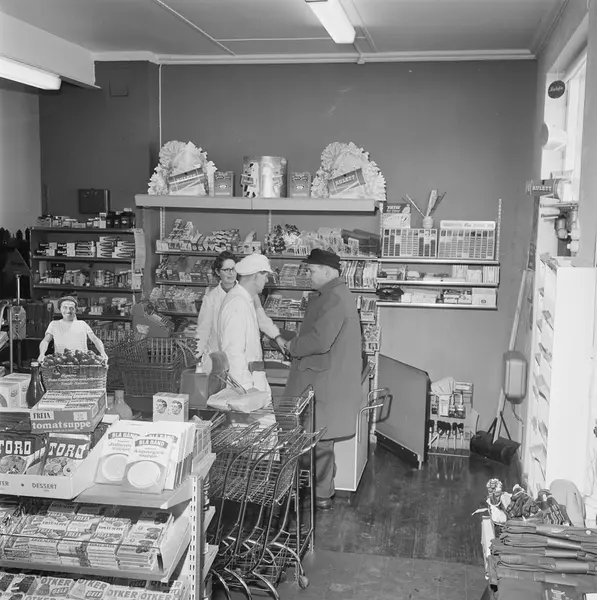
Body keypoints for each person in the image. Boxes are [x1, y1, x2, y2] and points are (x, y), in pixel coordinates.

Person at [279, 249, 362, 510]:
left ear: (327, 271)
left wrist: (291, 346)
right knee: (318, 440)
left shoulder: (334, 298)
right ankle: (320, 492)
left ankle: (321, 494)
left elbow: (320, 340)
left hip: (323, 382)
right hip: (324, 378)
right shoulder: (334, 295)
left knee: (317, 440)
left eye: (311, 270)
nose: (308, 275)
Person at [195, 251, 285, 372]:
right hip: (218, 356)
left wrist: (277, 336)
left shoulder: (250, 293)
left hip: (243, 359)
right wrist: (197, 355)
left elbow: (262, 319)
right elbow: (203, 330)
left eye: (233, 269)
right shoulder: (211, 298)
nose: (231, 273)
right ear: (217, 272)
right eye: (226, 270)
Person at [217, 254, 274, 393]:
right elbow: (233, 352)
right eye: (265, 275)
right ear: (255, 275)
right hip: (246, 385)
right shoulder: (238, 303)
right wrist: (246, 388)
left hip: (252, 379)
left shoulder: (244, 299)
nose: (267, 280)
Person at [38, 296, 108, 361]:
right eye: (65, 307)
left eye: (71, 308)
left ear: (75, 310)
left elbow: (95, 339)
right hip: (61, 362)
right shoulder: (54, 324)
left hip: (82, 363)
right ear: (60, 309)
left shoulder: (82, 324)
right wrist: (41, 354)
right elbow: (45, 341)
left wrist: (103, 352)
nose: (68, 311)